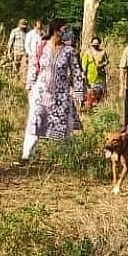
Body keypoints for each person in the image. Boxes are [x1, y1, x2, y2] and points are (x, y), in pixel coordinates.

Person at [21, 19, 85, 162]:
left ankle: (67, 159)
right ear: (56, 31)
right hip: (41, 93)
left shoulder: (69, 51)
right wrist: (30, 87)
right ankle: (26, 156)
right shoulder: (42, 46)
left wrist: (79, 94)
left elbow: (76, 72)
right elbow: (33, 66)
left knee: (65, 126)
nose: (67, 32)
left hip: (61, 95)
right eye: (65, 29)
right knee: (34, 121)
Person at [81, 36, 109, 110]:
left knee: (100, 94)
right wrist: (84, 76)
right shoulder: (87, 53)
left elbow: (107, 61)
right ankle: (89, 110)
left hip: (100, 76)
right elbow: (84, 66)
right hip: (90, 77)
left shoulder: (103, 52)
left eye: (97, 44)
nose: (95, 46)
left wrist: (102, 65)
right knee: (90, 95)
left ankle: (98, 110)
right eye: (94, 45)